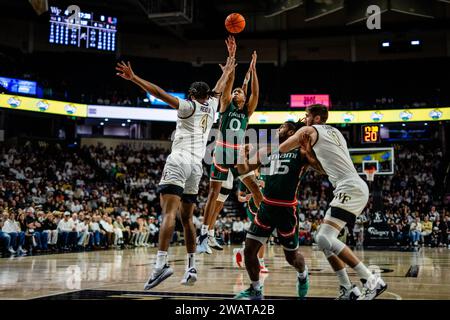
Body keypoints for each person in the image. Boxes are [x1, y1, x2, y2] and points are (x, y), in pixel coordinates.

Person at [116, 40, 236, 289]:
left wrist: (134, 78)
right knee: (188, 219)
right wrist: (230, 62)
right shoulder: (212, 107)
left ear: (192, 94)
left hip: (179, 159)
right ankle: (191, 266)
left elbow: (159, 93)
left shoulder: (188, 106)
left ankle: (160, 265)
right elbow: (221, 85)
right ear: (207, 95)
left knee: (168, 213)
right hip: (196, 167)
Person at [279, 104, 387, 300]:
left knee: (324, 238)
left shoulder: (308, 130)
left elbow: (282, 147)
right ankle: (347, 288)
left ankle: (372, 280)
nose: (306, 119)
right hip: (351, 186)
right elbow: (324, 169)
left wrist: (258, 147)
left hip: (350, 187)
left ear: (317, 118)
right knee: (323, 240)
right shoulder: (335, 132)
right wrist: (309, 152)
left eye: (308, 116)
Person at [235, 121, 318, 300]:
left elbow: (321, 168)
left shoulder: (301, 152)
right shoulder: (268, 150)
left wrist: (310, 149)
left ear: (291, 132)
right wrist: (243, 153)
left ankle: (303, 275)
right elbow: (243, 169)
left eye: (281, 128)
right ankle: (256, 289)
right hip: (266, 207)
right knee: (249, 251)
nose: (277, 130)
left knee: (291, 257)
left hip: (286, 210)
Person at [198, 36, 262, 255]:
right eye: (234, 91)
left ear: (243, 97)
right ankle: (204, 234)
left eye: (239, 91)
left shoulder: (247, 110)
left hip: (237, 155)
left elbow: (255, 93)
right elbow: (229, 83)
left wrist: (253, 71)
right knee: (214, 194)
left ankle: (266, 224)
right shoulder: (225, 105)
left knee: (249, 189)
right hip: (222, 151)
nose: (236, 92)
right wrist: (232, 58)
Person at [234, 171, 268, 273]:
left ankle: (241, 251)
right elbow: (239, 197)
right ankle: (261, 263)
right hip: (252, 209)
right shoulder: (246, 175)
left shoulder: (265, 175)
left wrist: (265, 185)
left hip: (263, 207)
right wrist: (245, 198)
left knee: (260, 236)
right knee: (263, 235)